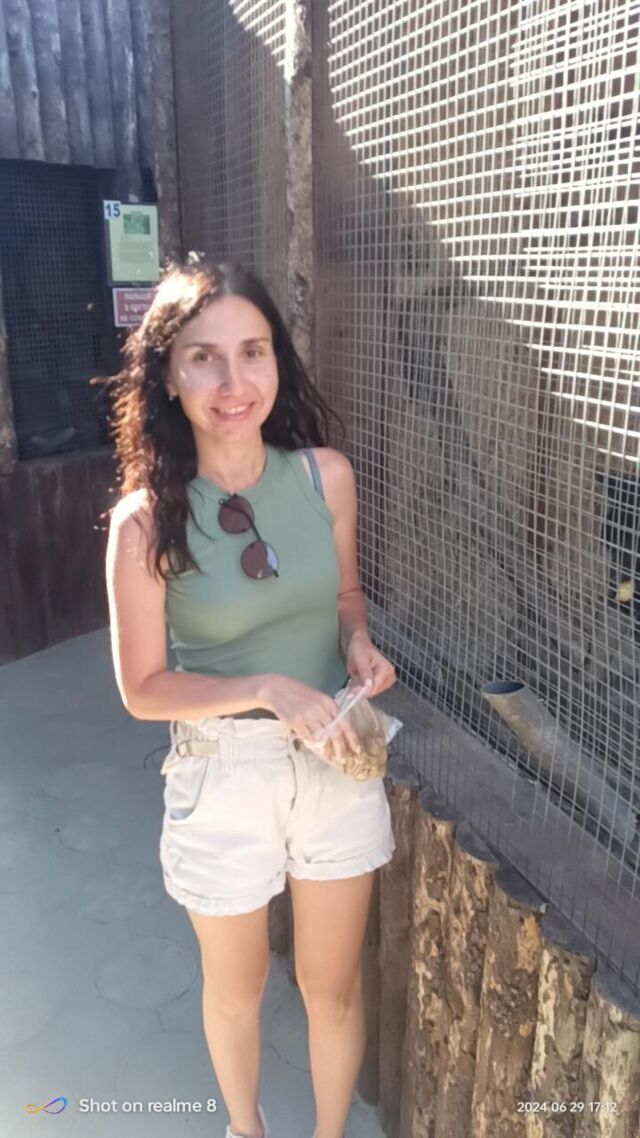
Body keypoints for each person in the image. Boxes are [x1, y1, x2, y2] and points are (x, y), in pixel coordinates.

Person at [104, 254, 397, 1138]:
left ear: (278, 359)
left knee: (330, 988)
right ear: (168, 374)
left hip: (335, 756)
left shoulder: (323, 477)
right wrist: (266, 688)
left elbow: (345, 596)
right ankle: (247, 1129)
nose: (234, 383)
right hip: (222, 770)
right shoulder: (144, 523)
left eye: (253, 352)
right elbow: (142, 690)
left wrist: (357, 643)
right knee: (237, 991)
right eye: (204, 358)